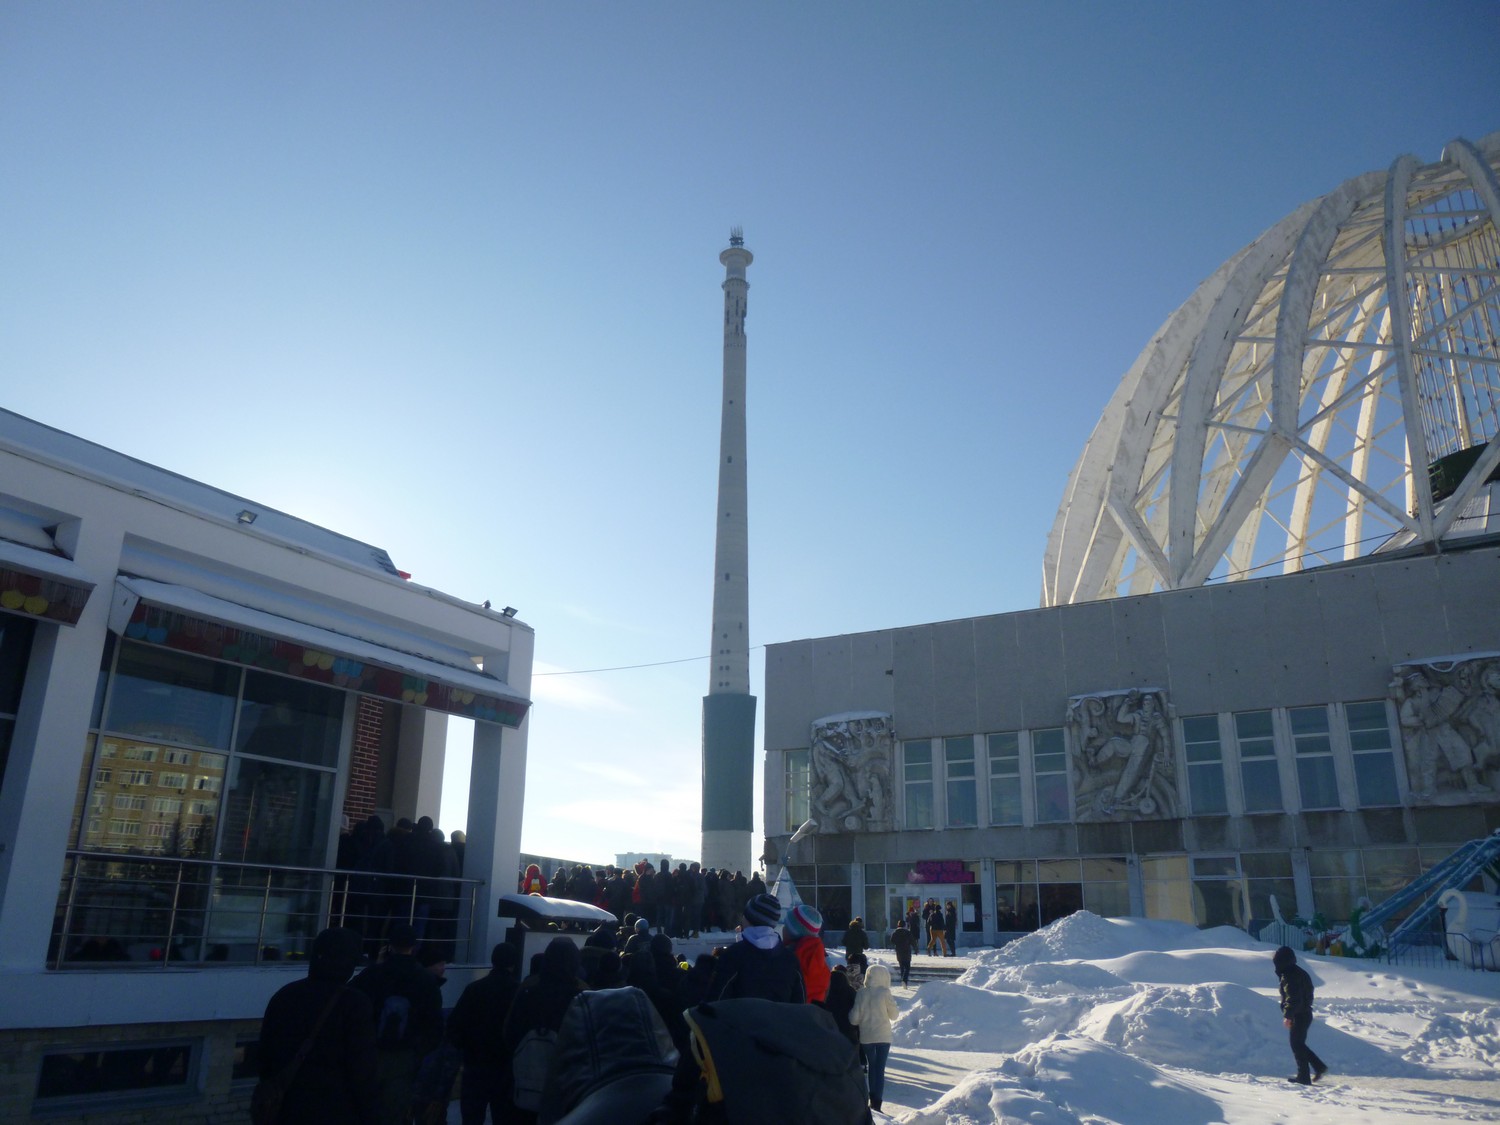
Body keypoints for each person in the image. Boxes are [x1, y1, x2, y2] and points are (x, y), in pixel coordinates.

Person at [257, 926, 377, 1124]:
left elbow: (264, 1055)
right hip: (335, 1110)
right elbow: (362, 1070)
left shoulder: (284, 996)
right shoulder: (354, 1003)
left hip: (287, 1108)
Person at [349, 923, 445, 1125]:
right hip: (405, 1054)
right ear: (414, 946)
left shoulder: (372, 975)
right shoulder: (426, 980)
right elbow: (434, 1025)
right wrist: (419, 1052)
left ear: (389, 945)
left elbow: (352, 1002)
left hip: (371, 1051)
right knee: (395, 1111)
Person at [502, 936, 586, 1122]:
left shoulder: (527, 993)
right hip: (567, 1088)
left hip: (526, 1084)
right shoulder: (582, 999)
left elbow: (509, 1034)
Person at [446, 942, 521, 1125]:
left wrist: (465, 1047)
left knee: (472, 1117)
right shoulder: (518, 991)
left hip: (475, 1063)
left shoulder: (474, 988)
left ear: (493, 961)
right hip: (505, 1066)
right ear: (513, 963)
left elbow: (455, 1025)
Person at [708, 892, 806, 1003]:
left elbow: (715, 1001)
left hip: (741, 1014)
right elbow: (800, 1004)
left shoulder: (733, 955)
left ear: (747, 918)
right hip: (780, 1015)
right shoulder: (790, 959)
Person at [1273, 945, 1327, 1085]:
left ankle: (1304, 1076)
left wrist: (1288, 1015)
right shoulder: (1298, 972)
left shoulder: (1289, 975)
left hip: (1299, 1014)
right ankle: (1318, 1067)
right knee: (1298, 1044)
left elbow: (1294, 998)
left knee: (1296, 1044)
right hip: (1304, 1013)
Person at [849, 963, 899, 1112]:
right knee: (880, 1068)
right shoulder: (885, 993)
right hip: (883, 1036)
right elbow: (894, 1015)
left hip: (867, 1036)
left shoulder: (861, 993)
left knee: (872, 1066)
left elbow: (854, 1019)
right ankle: (878, 1103)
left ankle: (872, 1098)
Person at [784, 902, 831, 1004]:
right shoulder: (824, 960)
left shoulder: (787, 959)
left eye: (786, 925)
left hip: (790, 1012)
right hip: (814, 1012)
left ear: (793, 932)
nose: (783, 929)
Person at [890, 918, 914, 986]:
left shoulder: (895, 932)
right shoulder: (907, 932)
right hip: (907, 951)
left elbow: (892, 940)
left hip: (899, 951)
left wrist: (897, 943)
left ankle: (902, 980)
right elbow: (912, 941)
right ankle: (904, 980)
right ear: (904, 925)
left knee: (902, 967)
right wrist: (916, 949)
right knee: (907, 967)